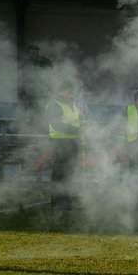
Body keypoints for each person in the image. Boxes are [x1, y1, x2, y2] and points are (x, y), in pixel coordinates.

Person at [45, 79, 81, 210]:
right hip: (59, 142)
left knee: (68, 173)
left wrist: (82, 126)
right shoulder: (54, 104)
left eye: (72, 90)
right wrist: (76, 130)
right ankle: (56, 203)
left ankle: (65, 201)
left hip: (72, 141)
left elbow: (76, 121)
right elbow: (56, 124)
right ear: (61, 92)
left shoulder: (73, 104)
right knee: (59, 173)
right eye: (69, 90)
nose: (71, 92)